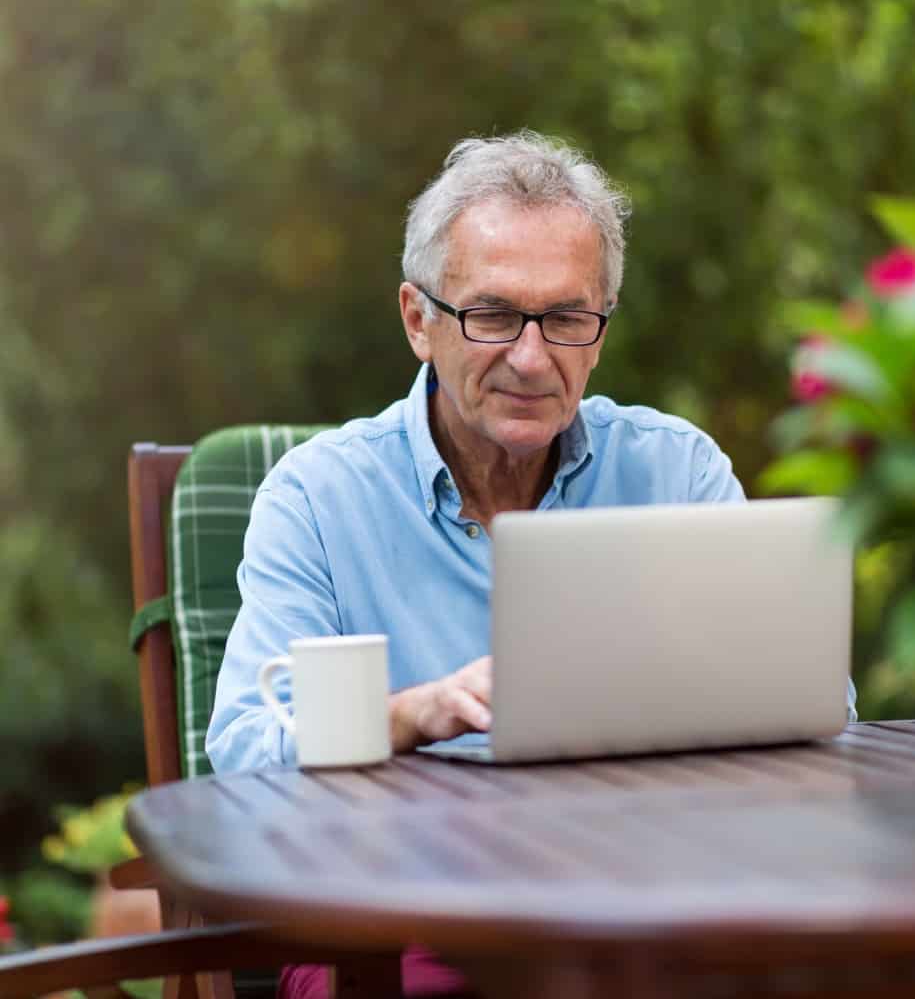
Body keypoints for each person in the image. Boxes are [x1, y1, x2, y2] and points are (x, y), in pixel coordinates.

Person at [207, 131, 853, 997]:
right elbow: (246, 758)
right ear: (418, 320)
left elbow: (820, 711)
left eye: (565, 318)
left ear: (601, 330)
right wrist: (410, 713)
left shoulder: (675, 470)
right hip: (399, 916)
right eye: (494, 315)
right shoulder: (318, 497)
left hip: (650, 904)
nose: (530, 357)